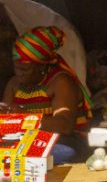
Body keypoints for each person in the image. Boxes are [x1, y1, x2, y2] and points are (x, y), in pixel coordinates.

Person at [1, 26, 92, 164]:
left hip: (67, 142)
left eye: (25, 68)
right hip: (28, 140)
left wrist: (25, 117)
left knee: (27, 154)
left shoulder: (60, 82)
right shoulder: (14, 84)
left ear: (42, 66)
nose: (20, 73)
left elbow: (65, 125)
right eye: (16, 67)